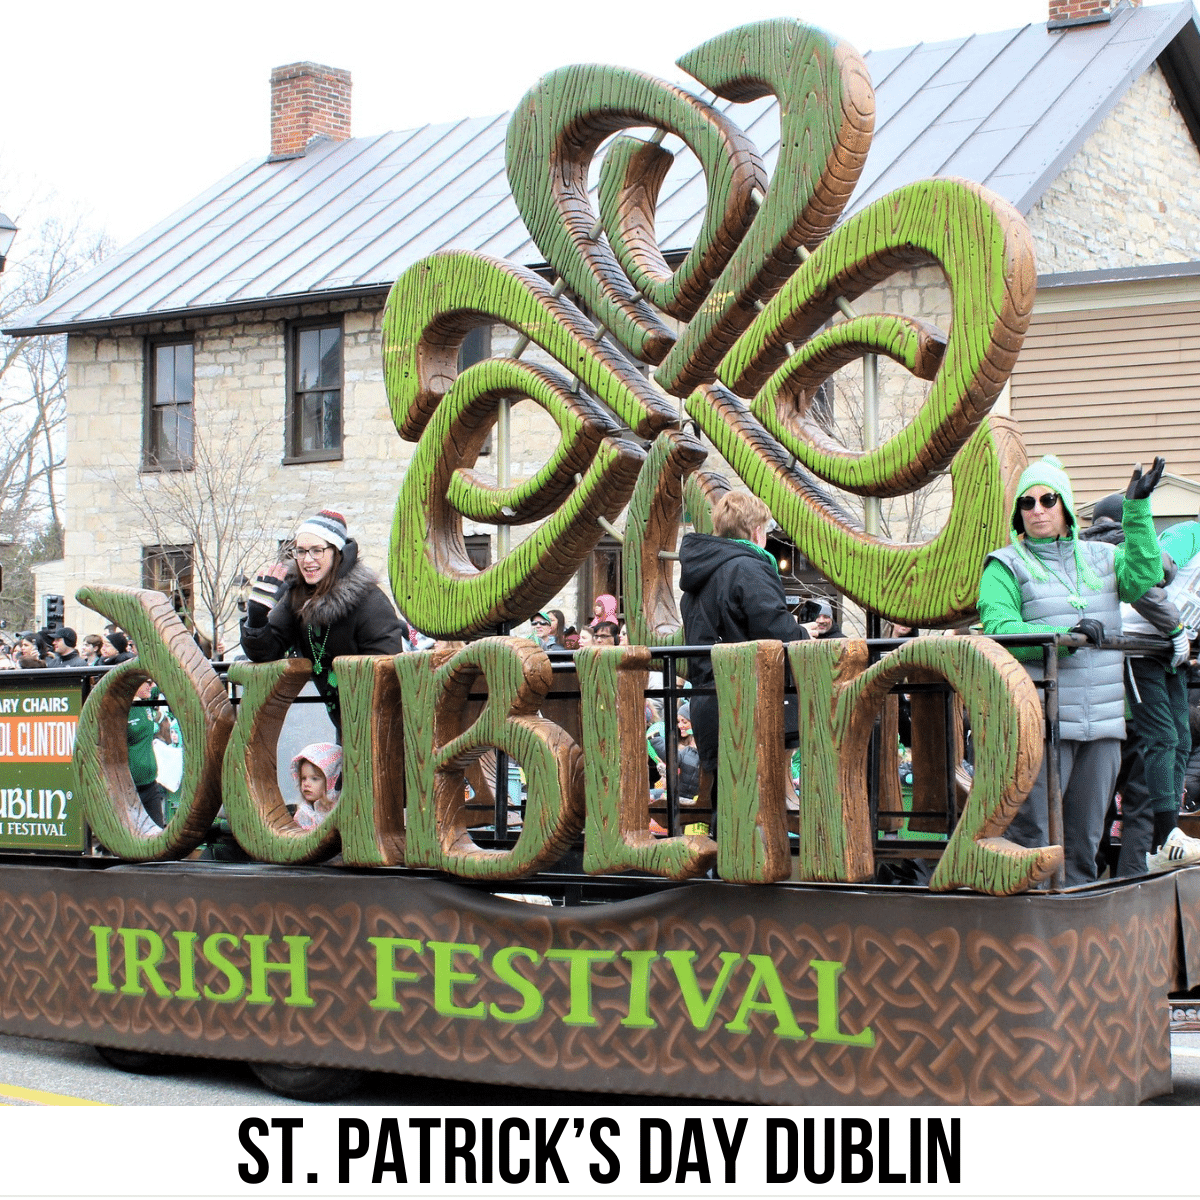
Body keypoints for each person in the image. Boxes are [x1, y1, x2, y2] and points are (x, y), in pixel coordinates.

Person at [977, 455, 1168, 886]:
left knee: (1085, 840)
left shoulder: (1103, 556)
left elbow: (1145, 576)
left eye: (1048, 499)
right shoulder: (1004, 564)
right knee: (1034, 840)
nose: (1037, 509)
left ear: (1064, 504)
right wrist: (1065, 634)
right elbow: (999, 629)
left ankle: (1073, 940)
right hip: (1039, 726)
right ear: (1017, 513)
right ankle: (1030, 937)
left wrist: (1137, 511)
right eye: (1027, 503)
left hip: (1101, 726)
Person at [679, 491, 810, 809]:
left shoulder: (702, 574)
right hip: (747, 703)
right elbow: (776, 631)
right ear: (756, 532)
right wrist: (806, 640)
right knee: (757, 815)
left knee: (731, 811)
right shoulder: (746, 568)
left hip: (711, 703)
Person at [240, 510, 407, 735]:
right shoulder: (295, 597)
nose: (307, 559)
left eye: (317, 550)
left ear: (336, 551)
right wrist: (257, 618)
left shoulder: (370, 602)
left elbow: (387, 675)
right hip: (344, 724)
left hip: (383, 725)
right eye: (300, 551)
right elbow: (267, 653)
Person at [1117, 498, 1200, 872]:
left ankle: (1166, 839)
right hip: (1140, 642)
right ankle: (1165, 837)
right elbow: (1156, 570)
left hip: (1175, 652)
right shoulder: (1190, 533)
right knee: (1163, 738)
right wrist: (1176, 628)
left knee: (1182, 738)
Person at [127, 679, 167, 827]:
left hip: (150, 783)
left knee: (157, 830)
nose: (151, 686)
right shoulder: (121, 709)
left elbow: (166, 679)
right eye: (147, 682)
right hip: (129, 787)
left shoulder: (146, 700)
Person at [290, 742, 342, 831]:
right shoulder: (303, 814)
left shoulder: (340, 810)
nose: (306, 784)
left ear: (332, 781)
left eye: (314, 779)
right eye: (303, 778)